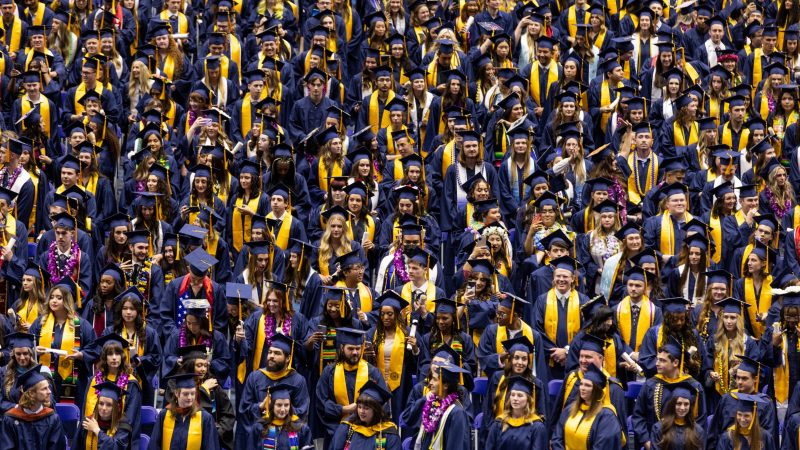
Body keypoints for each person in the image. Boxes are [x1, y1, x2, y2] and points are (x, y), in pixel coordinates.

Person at [315, 327, 388, 443]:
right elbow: (321, 403)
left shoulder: (373, 372)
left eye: (358, 349)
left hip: (367, 434)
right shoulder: (329, 372)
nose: (355, 352)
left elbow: (382, 404)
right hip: (335, 431)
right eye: (350, 349)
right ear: (342, 348)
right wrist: (343, 410)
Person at [551, 362, 623, 450]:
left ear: (597, 390)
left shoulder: (606, 416)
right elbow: (557, 438)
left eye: (588, 385)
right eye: (581, 384)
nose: (582, 388)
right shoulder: (570, 409)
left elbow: (602, 446)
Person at [0, 364, 67, 450]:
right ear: (31, 393)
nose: (49, 391)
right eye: (44, 389)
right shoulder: (10, 420)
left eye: (48, 387)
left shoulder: (52, 419)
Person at [148, 373, 221, 450]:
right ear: (177, 393)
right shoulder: (164, 415)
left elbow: (210, 446)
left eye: (193, 393)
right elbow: (154, 445)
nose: (190, 397)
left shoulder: (205, 418)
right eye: (185, 394)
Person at [410, 360, 472, 450]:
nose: (430, 382)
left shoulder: (457, 413)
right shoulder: (434, 406)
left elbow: (456, 446)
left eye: (434, 379)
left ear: (445, 385)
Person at [330, 380, 401, 450]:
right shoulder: (348, 427)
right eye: (359, 407)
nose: (361, 411)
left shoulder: (387, 432)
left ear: (376, 410)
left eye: (366, 408)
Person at [238, 383, 313, 449]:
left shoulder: (300, 428)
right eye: (279, 405)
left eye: (286, 405)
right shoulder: (259, 428)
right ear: (272, 406)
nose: (283, 409)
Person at [485, 376, 548, 450]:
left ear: (528, 400)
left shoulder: (537, 427)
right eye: (512, 395)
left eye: (520, 395)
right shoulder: (498, 424)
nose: (515, 398)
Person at [75, 381, 132, 450]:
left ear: (116, 407)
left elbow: (116, 447)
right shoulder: (88, 422)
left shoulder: (123, 426)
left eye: (109, 405)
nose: (104, 408)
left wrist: (97, 431)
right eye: (101, 403)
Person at [650, 381, 705, 450]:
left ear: (690, 406)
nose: (682, 408)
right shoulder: (659, 428)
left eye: (686, 404)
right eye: (678, 403)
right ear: (672, 405)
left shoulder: (698, 431)